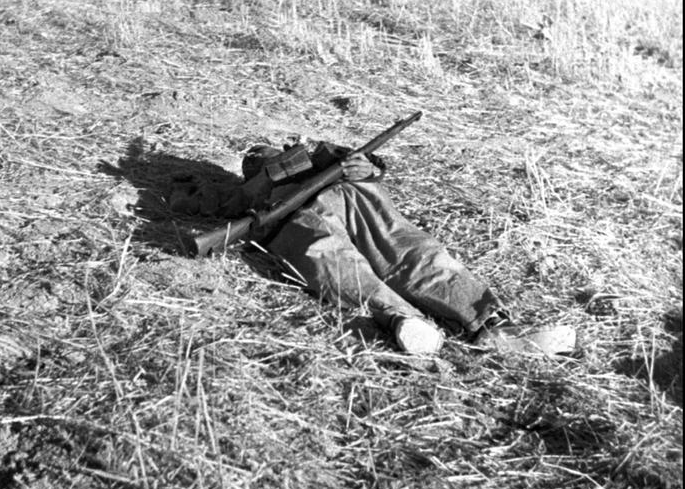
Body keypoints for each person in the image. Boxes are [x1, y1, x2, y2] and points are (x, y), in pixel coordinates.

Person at [171, 139, 576, 358]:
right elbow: (200, 204)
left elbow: (365, 163)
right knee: (333, 261)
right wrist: (252, 189)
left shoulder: (319, 156)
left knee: (415, 254)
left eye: (267, 153)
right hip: (295, 220)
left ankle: (493, 326)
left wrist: (368, 169)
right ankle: (404, 322)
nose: (262, 158)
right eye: (255, 160)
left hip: (357, 200)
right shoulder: (247, 190)